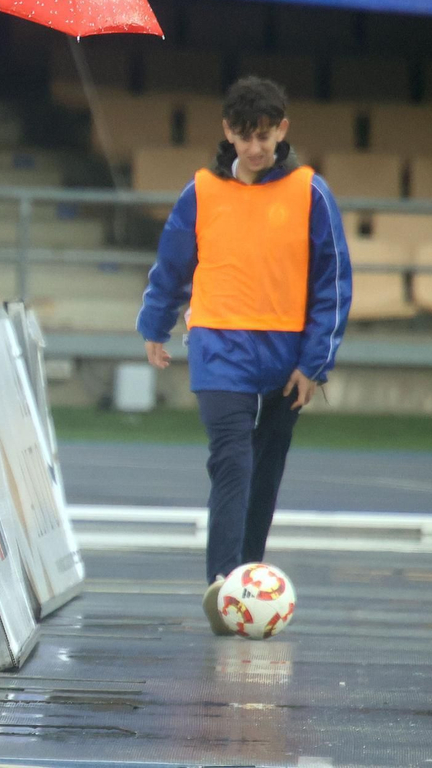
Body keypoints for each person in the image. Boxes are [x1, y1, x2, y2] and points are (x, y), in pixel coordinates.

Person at [136, 76, 351, 635]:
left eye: (266, 135)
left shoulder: (311, 192)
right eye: (245, 136)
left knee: (266, 466)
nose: (257, 148)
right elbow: (172, 267)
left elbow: (333, 284)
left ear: (283, 129)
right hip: (218, 343)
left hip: (287, 352)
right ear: (228, 132)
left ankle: (247, 578)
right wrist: (155, 325)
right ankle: (223, 585)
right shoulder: (201, 192)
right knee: (232, 459)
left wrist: (314, 365)